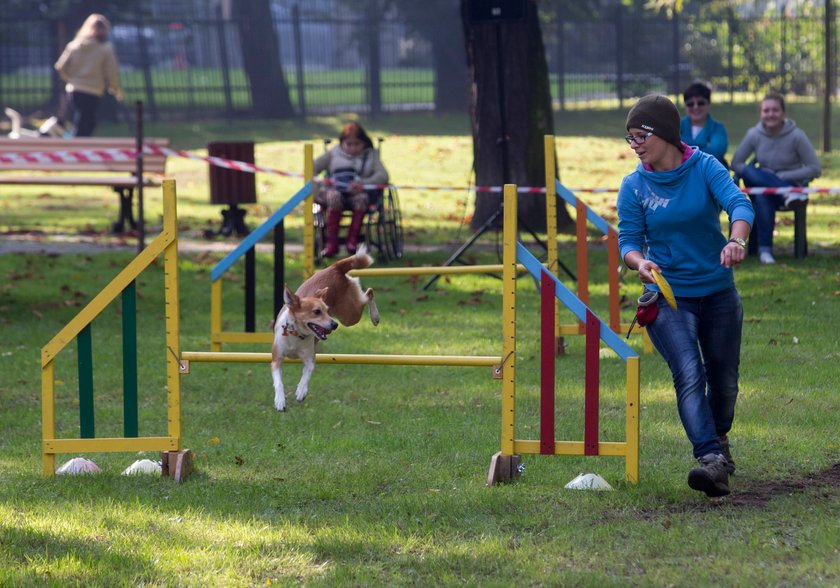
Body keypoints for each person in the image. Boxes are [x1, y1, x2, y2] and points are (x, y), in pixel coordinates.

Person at [617, 95, 755, 498]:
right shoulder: (634, 185)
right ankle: (710, 458)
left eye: (641, 135)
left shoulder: (705, 166)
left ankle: (719, 438)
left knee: (724, 382)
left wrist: (736, 240)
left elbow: (738, 203)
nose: (636, 144)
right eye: (630, 139)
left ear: (664, 133)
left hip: (717, 291)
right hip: (667, 297)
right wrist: (639, 263)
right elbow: (628, 240)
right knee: (689, 373)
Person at [730, 92, 821, 265]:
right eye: (766, 110)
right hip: (769, 188)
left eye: (775, 110)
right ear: (761, 113)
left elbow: (815, 168)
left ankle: (765, 250)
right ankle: (765, 251)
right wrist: (765, 177)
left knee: (764, 195)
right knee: (751, 174)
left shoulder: (797, 135)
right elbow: (736, 163)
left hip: (789, 185)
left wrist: (783, 176)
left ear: (783, 113)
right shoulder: (753, 134)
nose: (770, 114)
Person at [314, 123, 389, 258]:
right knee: (334, 197)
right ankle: (331, 243)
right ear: (342, 143)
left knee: (361, 199)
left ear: (364, 143)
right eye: (349, 144)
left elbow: (383, 176)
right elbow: (312, 166)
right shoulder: (333, 153)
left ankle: (352, 242)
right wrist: (317, 186)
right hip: (334, 192)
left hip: (359, 194)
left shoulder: (371, 156)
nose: (353, 148)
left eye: (357, 144)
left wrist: (363, 183)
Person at [54, 14, 123, 137]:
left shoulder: (75, 45)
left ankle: (75, 142)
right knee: (87, 120)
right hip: (93, 90)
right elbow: (112, 71)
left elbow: (60, 67)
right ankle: (77, 144)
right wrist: (115, 88)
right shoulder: (105, 48)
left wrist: (71, 79)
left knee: (84, 118)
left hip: (74, 89)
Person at [679, 82, 729, 167]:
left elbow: (716, 153)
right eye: (690, 104)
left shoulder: (718, 128)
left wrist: (683, 147)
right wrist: (704, 146)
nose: (695, 107)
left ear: (708, 103)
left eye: (700, 103)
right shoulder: (676, 125)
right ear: (685, 106)